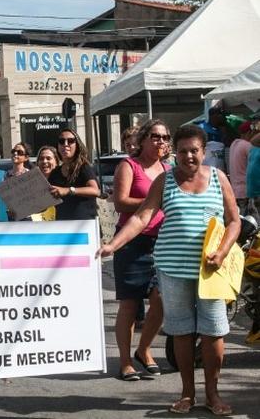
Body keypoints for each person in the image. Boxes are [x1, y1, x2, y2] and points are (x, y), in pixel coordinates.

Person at [98, 124, 240, 415]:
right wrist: (114, 244)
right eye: (184, 151)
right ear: (176, 152)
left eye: (195, 151)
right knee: (182, 333)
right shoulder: (164, 181)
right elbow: (141, 217)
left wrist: (223, 251)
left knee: (214, 333)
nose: (189, 156)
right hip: (172, 271)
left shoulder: (218, 178)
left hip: (210, 272)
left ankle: (213, 395)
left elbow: (234, 220)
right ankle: (188, 394)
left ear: (204, 152)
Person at [110, 119, 171, 381]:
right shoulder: (129, 166)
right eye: (155, 136)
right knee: (130, 304)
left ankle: (144, 349)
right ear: (144, 139)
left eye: (165, 137)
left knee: (160, 300)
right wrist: (152, 203)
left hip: (163, 242)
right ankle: (125, 361)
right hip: (132, 243)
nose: (161, 141)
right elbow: (120, 203)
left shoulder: (168, 169)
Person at [48, 129, 101, 220]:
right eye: (61, 141)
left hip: (84, 227)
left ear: (77, 145)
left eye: (70, 141)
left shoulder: (83, 167)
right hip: (62, 226)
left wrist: (68, 190)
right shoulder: (55, 173)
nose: (65, 144)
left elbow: (95, 191)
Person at [229, 121, 256, 218]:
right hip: (246, 192)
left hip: (235, 192)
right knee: (251, 224)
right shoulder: (247, 146)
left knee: (240, 222)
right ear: (249, 133)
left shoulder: (234, 144)